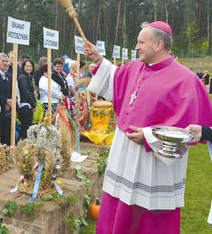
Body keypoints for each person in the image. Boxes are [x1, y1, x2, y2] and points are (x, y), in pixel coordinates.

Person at [83, 21, 212, 234]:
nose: (136, 47)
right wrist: (97, 58)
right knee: (117, 204)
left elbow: (187, 130)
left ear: (159, 44)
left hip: (154, 161)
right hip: (125, 152)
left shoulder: (186, 80)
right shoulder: (135, 67)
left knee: (146, 218)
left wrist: (150, 136)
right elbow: (116, 79)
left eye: (141, 42)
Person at [17, 59, 37, 139]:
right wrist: (33, 105)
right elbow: (26, 92)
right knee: (26, 128)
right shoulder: (23, 77)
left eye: (31, 66)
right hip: (24, 105)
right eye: (27, 66)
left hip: (28, 105)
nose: (29, 68)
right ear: (23, 67)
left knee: (28, 128)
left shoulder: (28, 77)